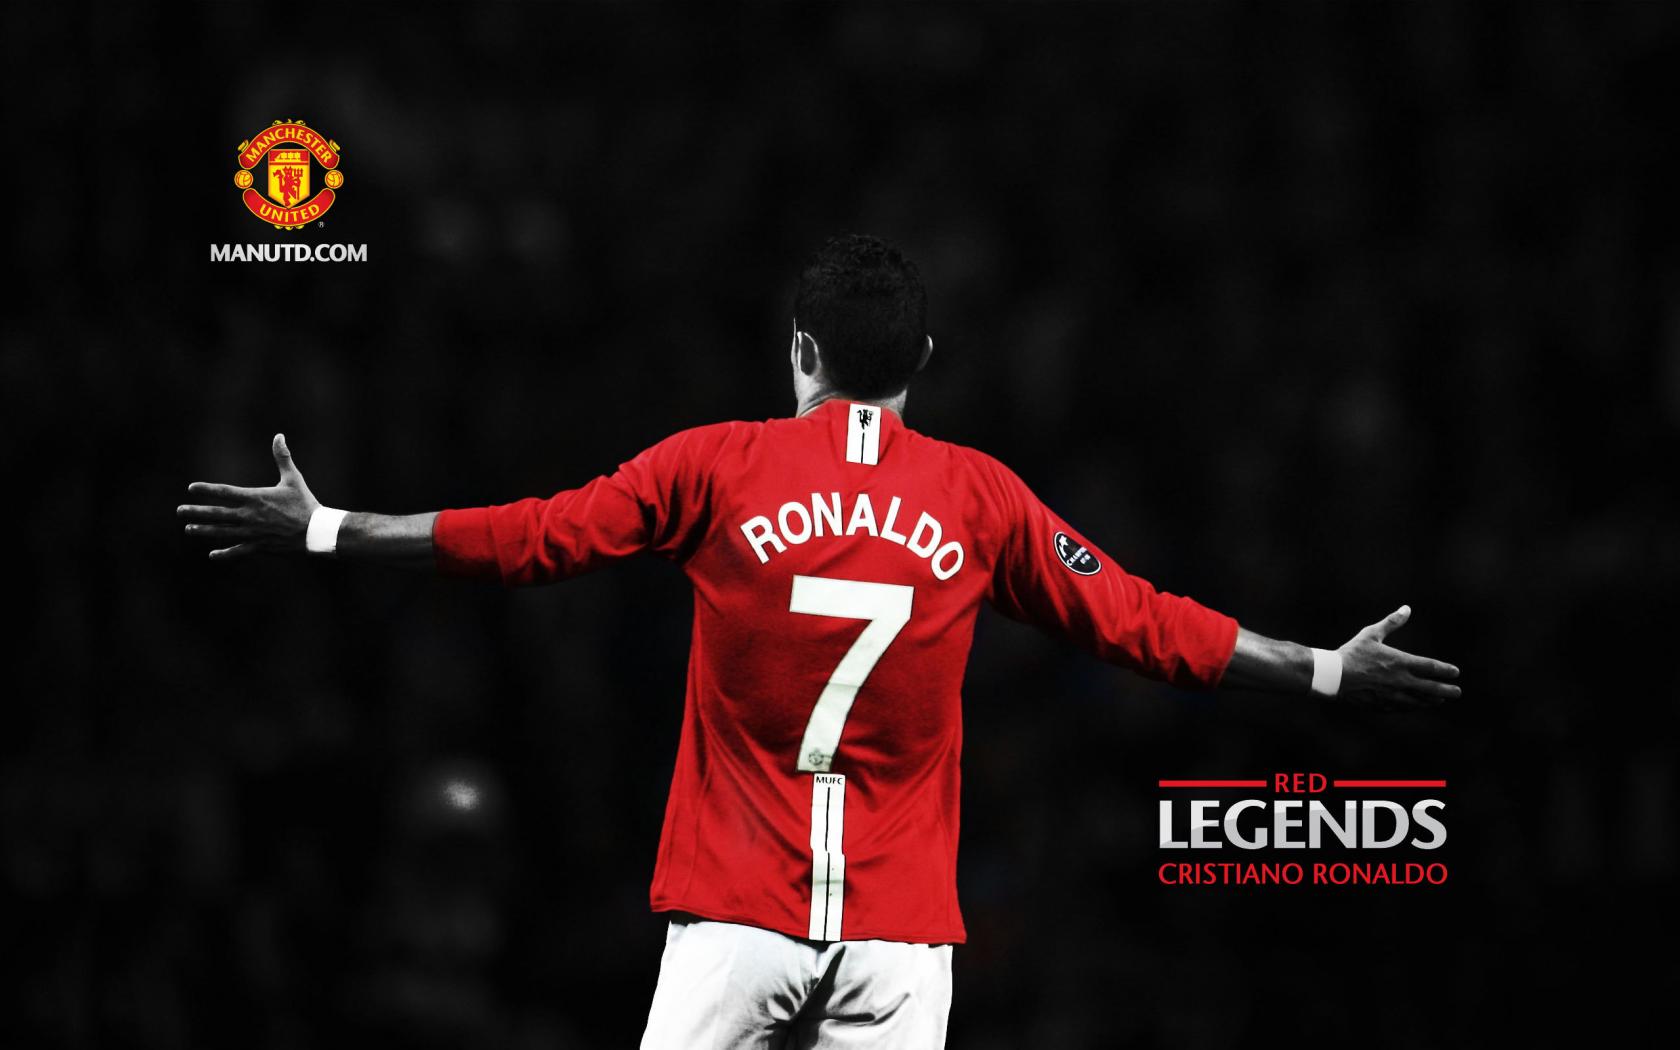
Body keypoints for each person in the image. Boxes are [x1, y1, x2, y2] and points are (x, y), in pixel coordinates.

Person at [179, 234, 1460, 1048]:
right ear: (925, 361)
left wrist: (330, 528)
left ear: (799, 350)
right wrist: (1323, 668)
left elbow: (532, 537)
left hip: (733, 920)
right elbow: (1139, 619)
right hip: (900, 946)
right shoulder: (979, 499)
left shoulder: (714, 468)